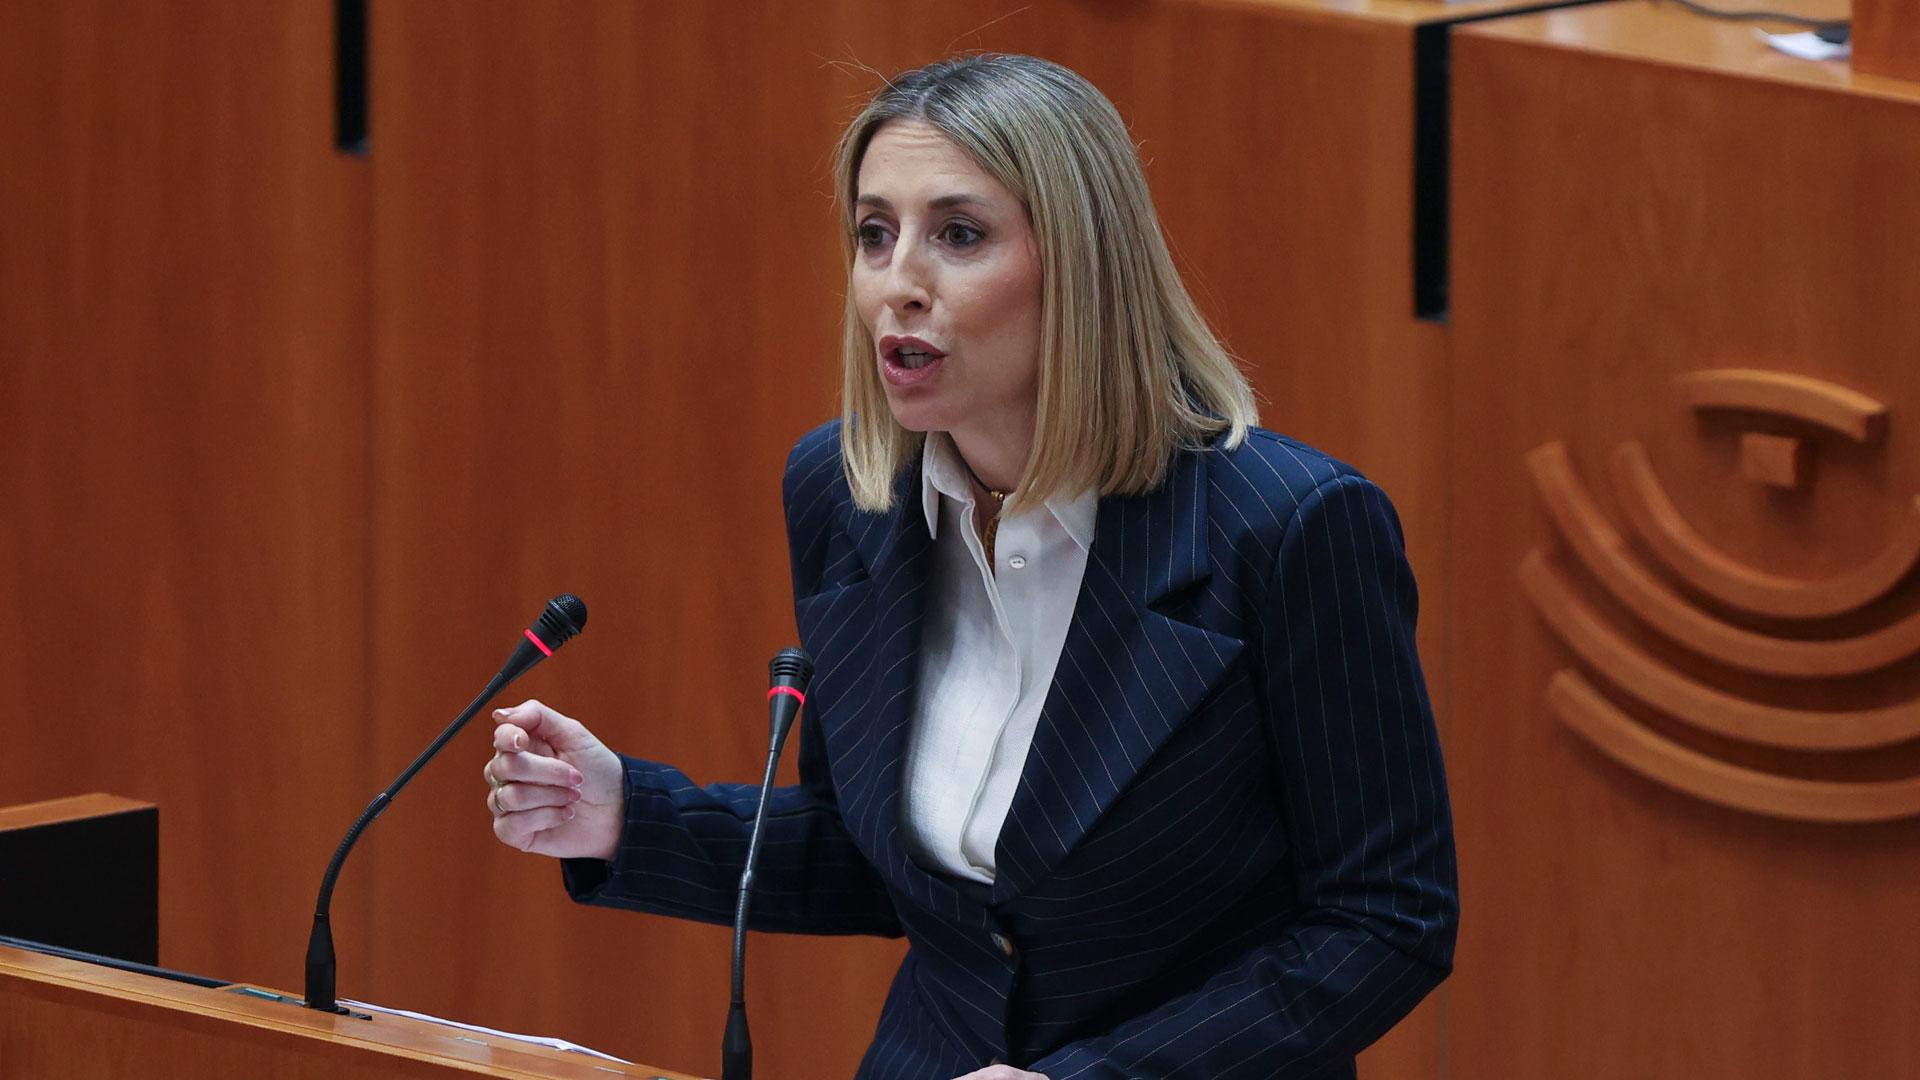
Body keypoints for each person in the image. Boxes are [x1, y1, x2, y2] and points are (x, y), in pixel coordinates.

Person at [480, 53, 1457, 1080]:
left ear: (1082, 264)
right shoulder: (848, 494)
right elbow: (880, 861)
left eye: (958, 235)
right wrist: (626, 812)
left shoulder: (1287, 530)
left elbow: (1386, 918)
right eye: (874, 233)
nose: (898, 284)